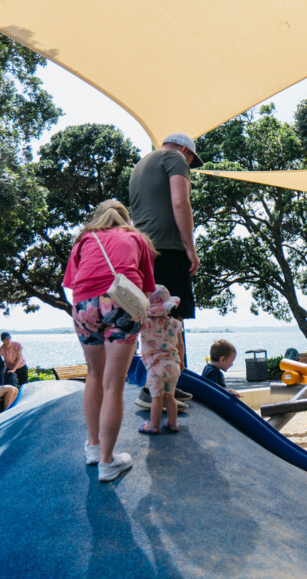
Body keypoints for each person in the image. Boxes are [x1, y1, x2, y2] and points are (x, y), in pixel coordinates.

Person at [63, 199, 156, 483]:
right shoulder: (137, 239)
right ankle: (108, 462)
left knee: (94, 374)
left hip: (84, 306)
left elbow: (71, 283)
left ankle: (93, 448)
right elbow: (147, 288)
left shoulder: (83, 239)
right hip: (121, 304)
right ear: (125, 219)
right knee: (114, 384)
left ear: (99, 217)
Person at [129, 132, 203, 408]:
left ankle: (168, 385)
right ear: (186, 150)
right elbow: (180, 202)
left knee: (153, 316)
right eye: (191, 160)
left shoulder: (140, 165)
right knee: (172, 318)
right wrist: (190, 247)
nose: (189, 165)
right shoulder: (174, 157)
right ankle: (154, 390)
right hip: (168, 249)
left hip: (141, 251)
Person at [138, 286, 185, 435]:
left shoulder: (145, 323)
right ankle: (172, 423)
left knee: (156, 398)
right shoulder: (176, 324)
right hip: (173, 365)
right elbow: (180, 344)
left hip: (155, 367)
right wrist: (181, 361)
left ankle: (153, 425)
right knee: (170, 397)